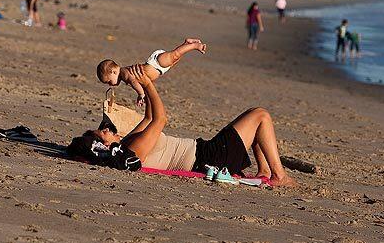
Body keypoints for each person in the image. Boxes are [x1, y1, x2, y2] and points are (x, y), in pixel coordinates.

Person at [69, 65, 297, 187]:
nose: (108, 128)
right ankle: (278, 175)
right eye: (104, 133)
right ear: (106, 146)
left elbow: (149, 118)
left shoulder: (129, 142)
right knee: (260, 115)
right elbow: (160, 120)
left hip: (206, 151)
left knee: (253, 117)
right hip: (209, 158)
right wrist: (148, 85)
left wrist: (141, 86)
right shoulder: (133, 150)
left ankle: (266, 171)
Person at [97, 38, 207, 106]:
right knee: (175, 58)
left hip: (155, 64)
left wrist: (141, 94)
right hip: (159, 69)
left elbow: (134, 82)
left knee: (175, 55)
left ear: (113, 72)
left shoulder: (124, 73)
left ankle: (195, 46)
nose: (110, 84)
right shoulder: (123, 74)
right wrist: (141, 94)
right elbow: (140, 82)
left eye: (109, 81)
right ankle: (186, 43)